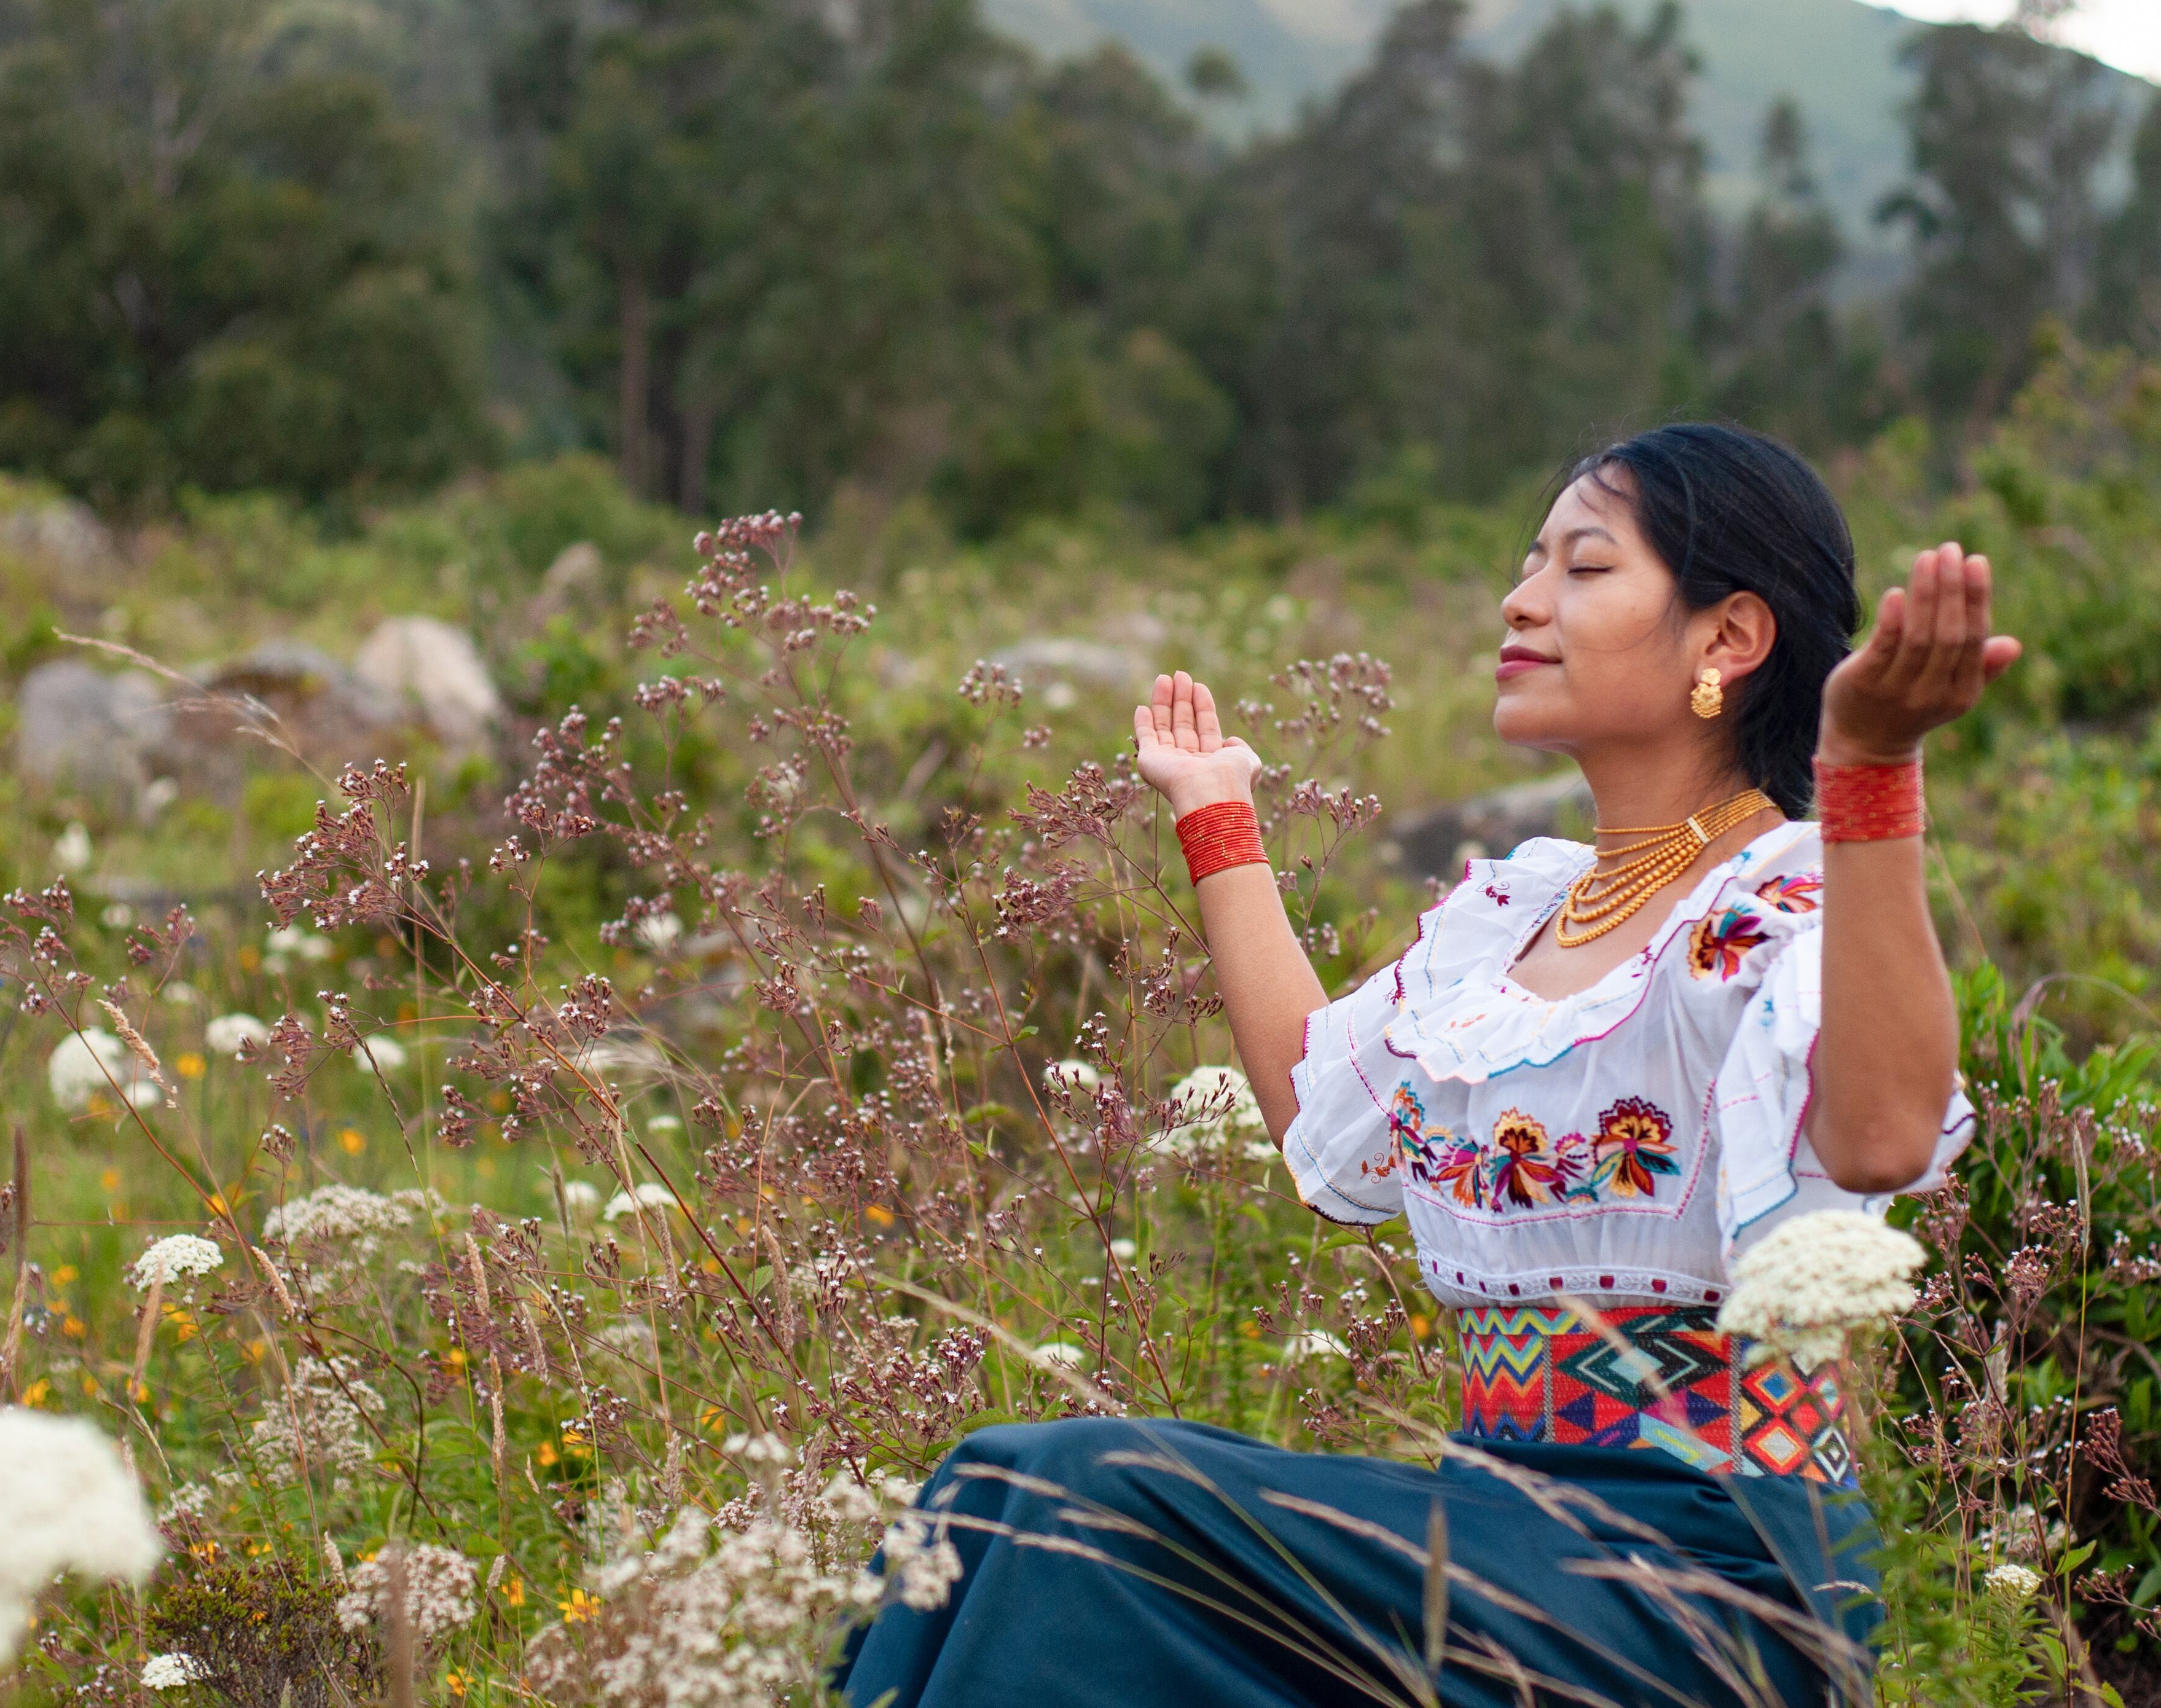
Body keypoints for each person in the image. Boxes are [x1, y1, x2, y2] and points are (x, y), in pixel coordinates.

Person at [836, 423, 2018, 1707]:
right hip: (1491, 1532)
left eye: (1582, 567)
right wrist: (1214, 808)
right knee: (990, 1493)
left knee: (1078, 1507)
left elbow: (1886, 1134)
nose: (1520, 600)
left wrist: (1870, 781)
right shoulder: (1517, 914)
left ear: (1726, 640)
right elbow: (1314, 1110)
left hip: (1704, 1569)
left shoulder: (1771, 898)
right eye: (1528, 564)